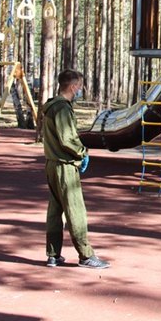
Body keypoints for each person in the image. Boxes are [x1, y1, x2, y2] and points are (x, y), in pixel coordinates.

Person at [42, 69, 109, 269]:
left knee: (55, 210)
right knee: (75, 210)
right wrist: (82, 152)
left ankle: (53, 254)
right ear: (72, 87)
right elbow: (67, 139)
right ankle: (85, 255)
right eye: (79, 86)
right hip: (64, 166)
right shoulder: (61, 108)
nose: (80, 89)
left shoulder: (52, 106)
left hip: (52, 163)